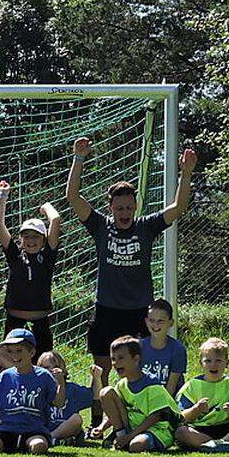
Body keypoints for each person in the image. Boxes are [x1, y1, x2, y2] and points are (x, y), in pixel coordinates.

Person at [66, 137, 196, 423]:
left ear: (136, 205)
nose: (124, 213)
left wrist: (185, 173)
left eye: (128, 207)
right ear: (110, 207)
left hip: (140, 311)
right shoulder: (100, 226)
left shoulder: (146, 227)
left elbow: (178, 207)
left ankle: (140, 418)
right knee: (101, 367)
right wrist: (78, 159)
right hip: (107, 308)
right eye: (119, 208)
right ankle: (99, 421)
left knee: (140, 367)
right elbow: (73, 197)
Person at [0, 329, 65, 455]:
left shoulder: (44, 376)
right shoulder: (4, 376)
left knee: (39, 446)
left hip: (34, 430)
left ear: (31, 352)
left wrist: (61, 383)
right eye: (10, 351)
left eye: (19, 351)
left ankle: (22, 445)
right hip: (7, 429)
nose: (14, 356)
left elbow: (58, 403)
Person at [0, 180, 61, 352]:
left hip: (40, 322)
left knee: (43, 363)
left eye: (36, 236)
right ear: (21, 239)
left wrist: (45, 207)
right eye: (26, 237)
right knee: (12, 364)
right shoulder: (15, 256)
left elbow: (56, 219)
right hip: (15, 321)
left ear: (44, 238)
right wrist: (3, 194)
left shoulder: (47, 256)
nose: (31, 241)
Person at [174, 337, 229, 452]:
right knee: (181, 432)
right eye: (208, 361)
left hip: (227, 428)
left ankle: (218, 444)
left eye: (218, 361)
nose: (213, 365)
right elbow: (182, 418)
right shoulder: (191, 386)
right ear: (201, 363)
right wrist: (196, 409)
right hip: (200, 429)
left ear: (227, 363)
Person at [95, 336, 180, 452]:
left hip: (157, 430)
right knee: (106, 392)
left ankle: (126, 440)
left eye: (120, 358)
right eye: (113, 359)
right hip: (132, 429)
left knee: (136, 445)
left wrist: (130, 437)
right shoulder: (121, 385)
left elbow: (157, 416)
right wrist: (101, 428)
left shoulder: (152, 385)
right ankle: (120, 435)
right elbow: (114, 411)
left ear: (136, 359)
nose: (115, 363)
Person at [36, 351, 96, 447]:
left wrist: (96, 378)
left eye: (48, 368)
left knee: (77, 419)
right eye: (41, 369)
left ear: (61, 369)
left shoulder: (72, 389)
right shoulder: (38, 389)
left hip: (67, 427)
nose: (45, 372)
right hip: (45, 427)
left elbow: (94, 396)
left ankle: (51, 438)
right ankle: (60, 440)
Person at [139, 299, 187, 395]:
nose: (155, 324)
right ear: (146, 321)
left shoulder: (178, 349)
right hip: (144, 397)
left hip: (167, 400)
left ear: (171, 323)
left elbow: (171, 387)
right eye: (152, 320)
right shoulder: (139, 346)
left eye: (160, 321)